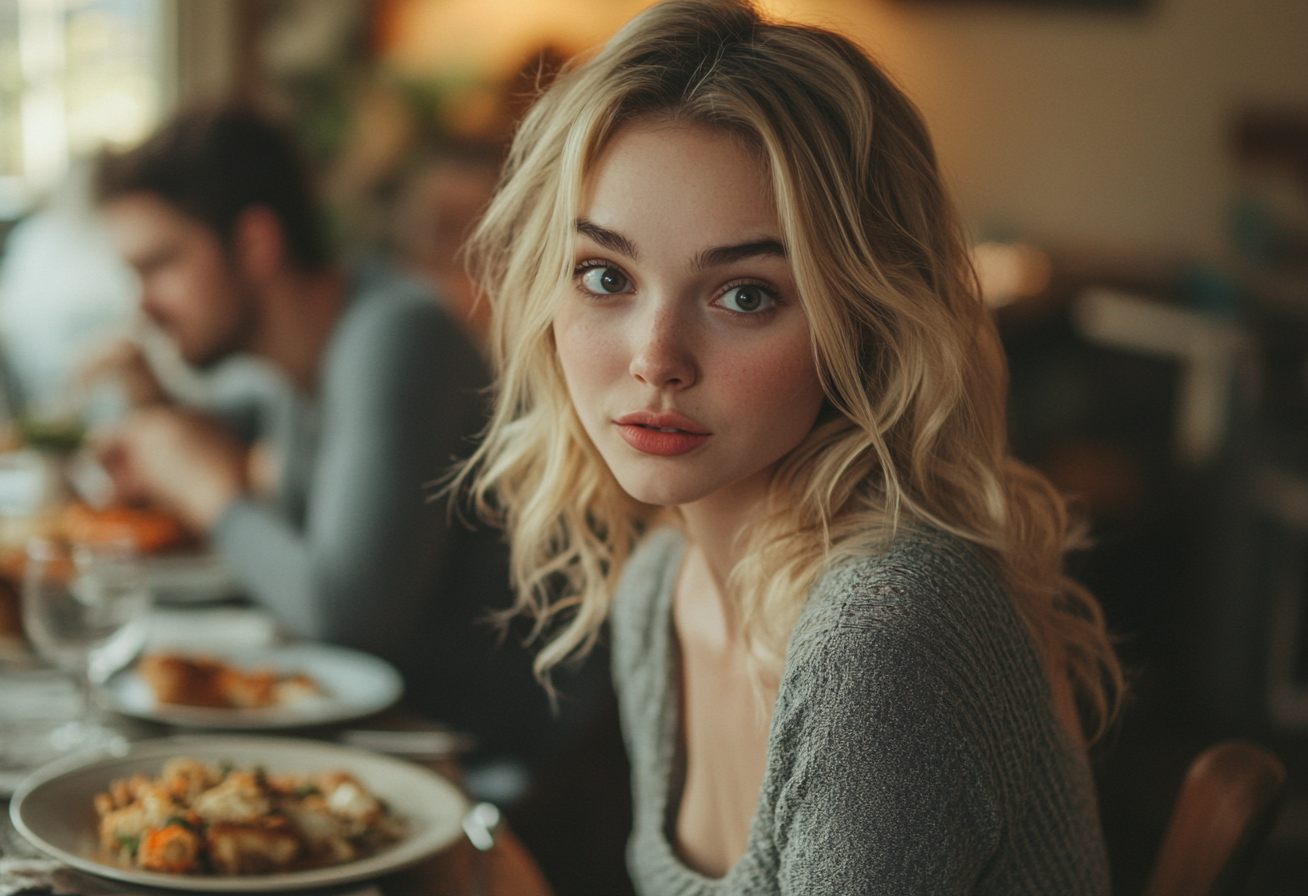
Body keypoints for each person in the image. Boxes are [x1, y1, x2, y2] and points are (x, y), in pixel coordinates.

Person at [457, 1, 1125, 892]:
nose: (656, 360)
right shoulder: (664, 590)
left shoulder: (883, 640)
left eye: (745, 296)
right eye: (605, 276)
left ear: (865, 319)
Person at [90, 104, 556, 764]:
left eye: (158, 265)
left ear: (255, 243)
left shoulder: (397, 334)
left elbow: (349, 617)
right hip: (379, 738)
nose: (141, 304)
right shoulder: (290, 357)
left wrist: (209, 495)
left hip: (487, 771)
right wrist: (157, 414)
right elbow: (217, 424)